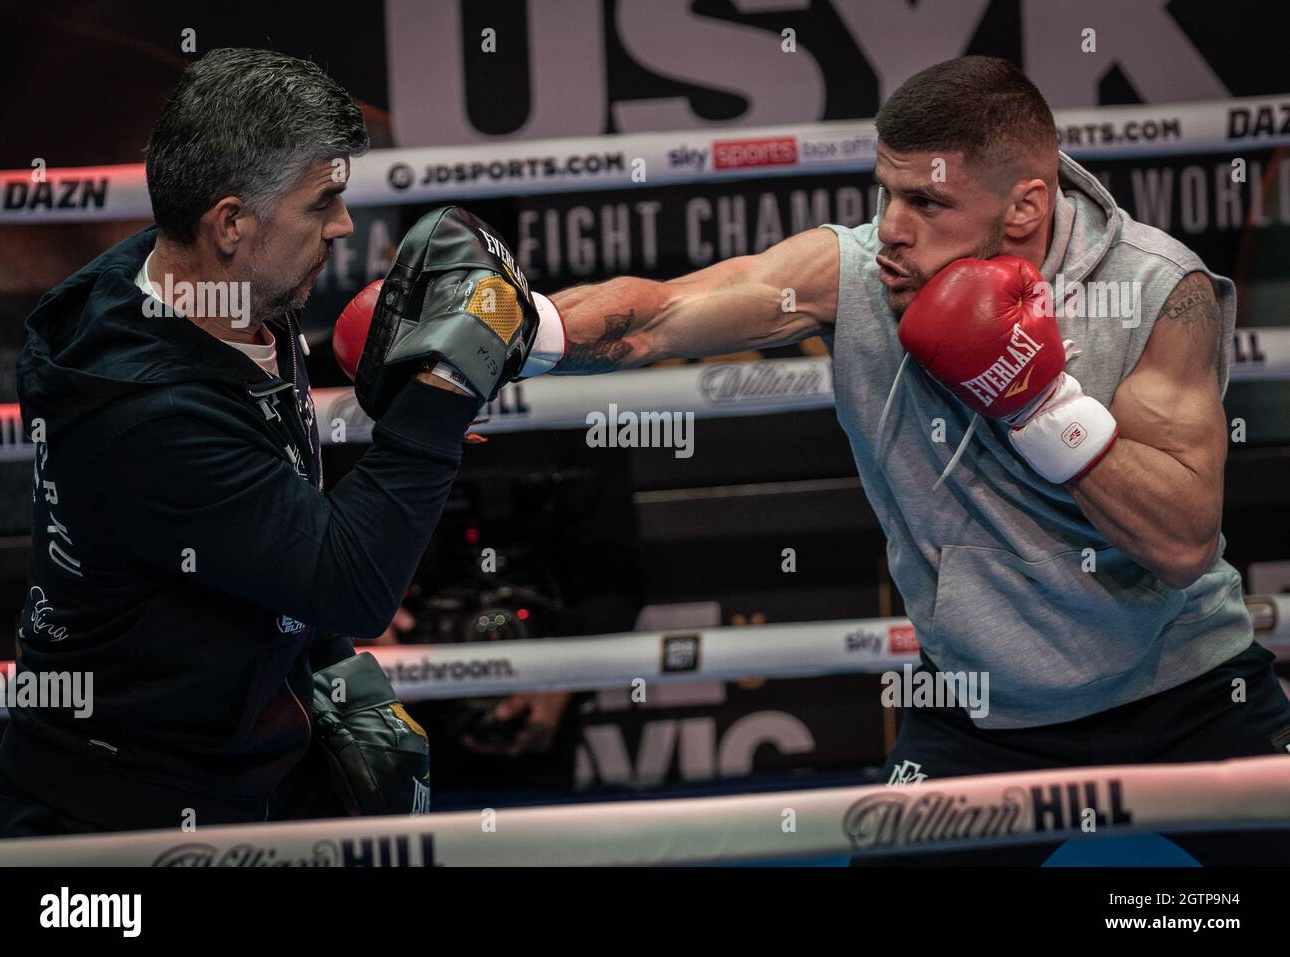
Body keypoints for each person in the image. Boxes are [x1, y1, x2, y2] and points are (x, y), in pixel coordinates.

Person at [500, 55, 1290, 785]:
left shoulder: (1157, 288)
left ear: (1025, 207)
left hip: (1188, 688)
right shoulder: (855, 275)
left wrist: (1039, 404)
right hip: (979, 709)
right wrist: (517, 332)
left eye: (926, 201)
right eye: (886, 191)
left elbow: (1184, 542)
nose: (892, 227)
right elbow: (665, 310)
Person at [0, 49, 530, 837]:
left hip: (233, 772)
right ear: (232, 221)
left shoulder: (229, 290)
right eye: (323, 203)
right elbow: (353, 581)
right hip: (116, 817)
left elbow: (273, 533)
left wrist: (323, 662)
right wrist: (441, 394)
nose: (344, 225)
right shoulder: (150, 411)